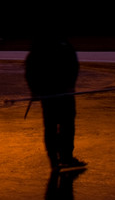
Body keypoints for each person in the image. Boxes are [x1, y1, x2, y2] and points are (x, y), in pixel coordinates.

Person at [25, 30, 84, 170]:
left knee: (64, 126)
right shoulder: (43, 45)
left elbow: (73, 65)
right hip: (51, 93)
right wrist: (34, 89)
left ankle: (63, 157)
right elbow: (31, 69)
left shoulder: (60, 44)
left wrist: (71, 85)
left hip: (61, 92)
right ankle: (57, 159)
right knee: (57, 126)